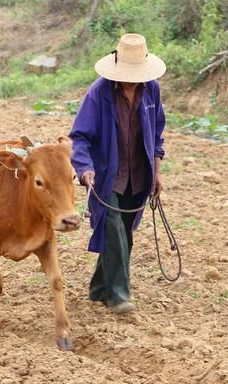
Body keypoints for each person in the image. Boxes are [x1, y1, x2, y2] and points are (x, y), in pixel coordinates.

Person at [69, 33, 167, 314]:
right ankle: (119, 295)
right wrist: (84, 169)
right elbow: (80, 136)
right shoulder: (99, 92)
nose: (133, 79)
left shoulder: (151, 90)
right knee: (112, 230)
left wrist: (157, 173)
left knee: (124, 231)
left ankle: (100, 288)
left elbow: (157, 133)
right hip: (106, 175)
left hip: (139, 173)